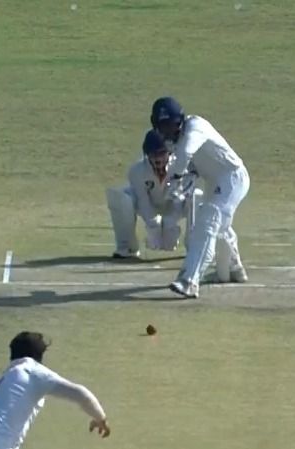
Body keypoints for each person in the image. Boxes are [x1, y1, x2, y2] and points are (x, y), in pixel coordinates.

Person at [150, 97, 250, 299]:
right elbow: (190, 170)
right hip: (215, 180)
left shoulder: (195, 127)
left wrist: (173, 178)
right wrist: (178, 188)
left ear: (179, 121)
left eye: (170, 125)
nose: (167, 131)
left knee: (208, 223)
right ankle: (234, 268)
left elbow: (186, 154)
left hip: (233, 177)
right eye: (163, 126)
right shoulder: (175, 143)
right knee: (219, 225)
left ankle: (190, 281)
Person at [106, 129, 198, 259]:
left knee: (196, 195)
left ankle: (194, 247)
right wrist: (153, 226)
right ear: (147, 154)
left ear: (169, 152)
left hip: (176, 206)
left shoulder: (182, 166)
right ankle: (127, 247)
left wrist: (170, 224)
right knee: (123, 197)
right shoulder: (137, 171)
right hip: (151, 205)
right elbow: (143, 200)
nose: (158, 158)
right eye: (153, 154)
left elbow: (180, 196)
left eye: (161, 153)